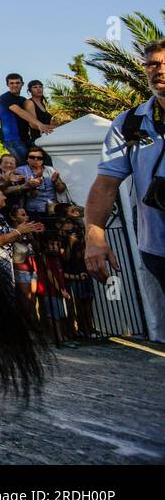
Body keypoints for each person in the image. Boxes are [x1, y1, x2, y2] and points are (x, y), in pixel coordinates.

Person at [85, 39, 165, 335]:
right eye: (153, 64)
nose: (159, 70)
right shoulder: (130, 123)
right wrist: (94, 236)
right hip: (157, 250)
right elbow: (106, 185)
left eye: (164, 63)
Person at [0, 73, 49, 159]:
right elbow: (20, 112)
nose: (15, 85)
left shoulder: (23, 100)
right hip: (12, 139)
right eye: (12, 83)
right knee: (24, 164)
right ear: (7, 85)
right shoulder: (5, 97)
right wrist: (40, 124)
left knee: (36, 162)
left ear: (22, 84)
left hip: (25, 138)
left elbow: (32, 117)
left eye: (17, 83)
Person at [17, 146, 68, 217]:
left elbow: (61, 190)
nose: (35, 159)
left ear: (43, 160)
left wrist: (56, 182)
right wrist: (34, 185)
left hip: (53, 208)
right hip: (34, 210)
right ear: (27, 159)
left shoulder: (50, 170)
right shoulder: (21, 170)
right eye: (32, 157)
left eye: (39, 158)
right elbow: (29, 194)